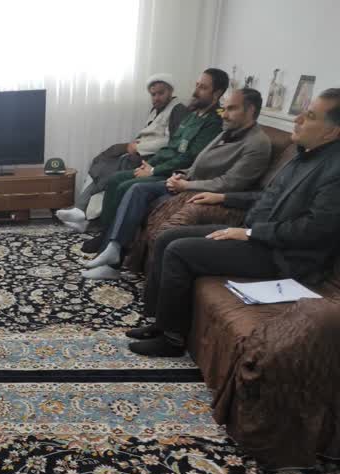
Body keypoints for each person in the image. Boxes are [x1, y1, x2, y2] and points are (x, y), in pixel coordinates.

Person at [127, 89, 340, 357]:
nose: (297, 121)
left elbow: (315, 230)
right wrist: (224, 197)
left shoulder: (334, 170)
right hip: (257, 237)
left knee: (179, 251)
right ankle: (158, 321)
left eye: (309, 116)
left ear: (332, 132)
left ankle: (171, 339)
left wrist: (250, 233)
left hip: (283, 256)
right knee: (168, 237)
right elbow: (266, 196)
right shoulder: (304, 155)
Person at [82, 88, 272, 279]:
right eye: (225, 108)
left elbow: (229, 183)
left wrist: (186, 186)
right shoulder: (228, 131)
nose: (224, 114)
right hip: (189, 182)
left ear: (250, 110)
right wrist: (181, 175)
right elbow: (199, 162)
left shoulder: (257, 144)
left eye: (232, 109)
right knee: (137, 189)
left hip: (206, 194)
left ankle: (113, 262)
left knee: (138, 189)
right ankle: (114, 250)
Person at [80, 68, 228, 253]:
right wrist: (151, 164)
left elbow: (189, 158)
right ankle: (105, 234)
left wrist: (153, 171)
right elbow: (171, 146)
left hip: (177, 174)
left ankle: (113, 246)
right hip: (162, 166)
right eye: (197, 85)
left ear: (217, 93)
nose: (196, 91)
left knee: (127, 186)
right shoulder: (192, 115)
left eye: (203, 87)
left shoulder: (214, 122)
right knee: (114, 180)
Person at [57, 73, 188, 231]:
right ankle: (83, 215)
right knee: (101, 164)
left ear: (171, 91)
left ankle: (82, 213)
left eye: (161, 93)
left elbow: (171, 142)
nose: (156, 98)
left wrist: (139, 148)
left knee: (106, 171)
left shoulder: (178, 110)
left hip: (151, 159)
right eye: (153, 94)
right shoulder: (156, 109)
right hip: (140, 153)